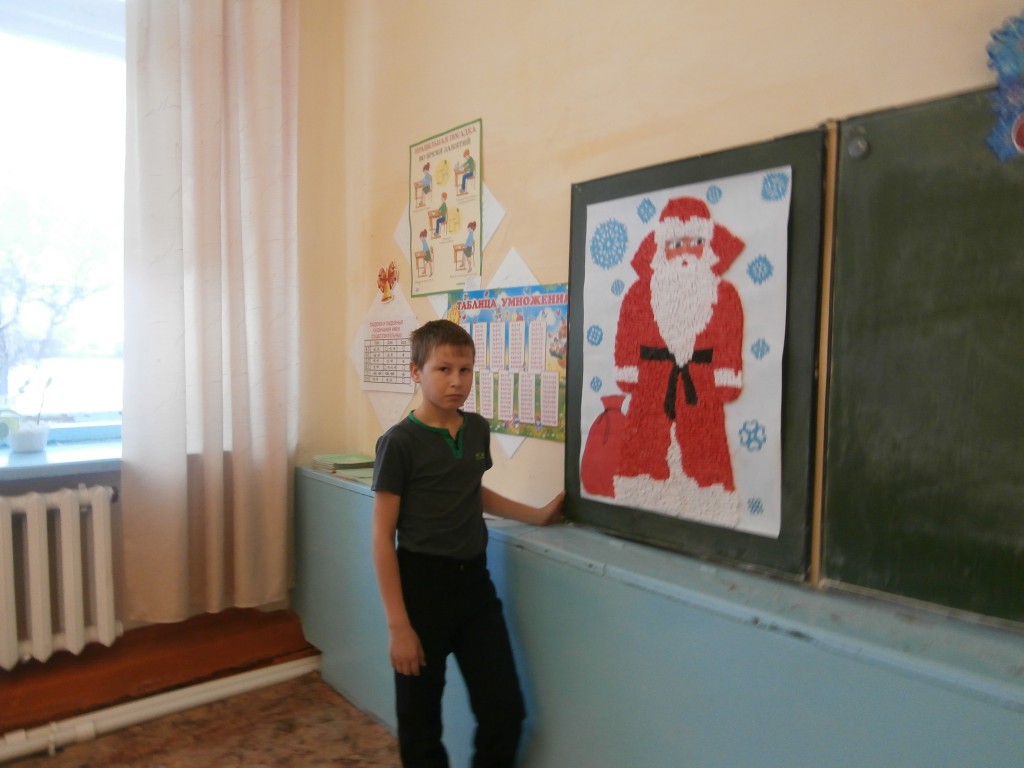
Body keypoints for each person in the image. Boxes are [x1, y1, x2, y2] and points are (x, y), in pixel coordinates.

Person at [372, 319, 564, 768]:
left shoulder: (476, 428)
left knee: (505, 712)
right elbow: (381, 536)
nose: (456, 381)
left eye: (465, 369)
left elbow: (471, 490)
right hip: (421, 590)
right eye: (443, 369)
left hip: (475, 588)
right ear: (415, 371)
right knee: (420, 728)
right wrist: (399, 627)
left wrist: (535, 514)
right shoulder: (399, 442)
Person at [613, 196, 745, 490]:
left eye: (695, 242)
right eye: (676, 244)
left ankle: (709, 487)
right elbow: (628, 330)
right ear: (662, 248)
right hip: (651, 381)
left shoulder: (724, 294)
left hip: (701, 383)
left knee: (705, 440)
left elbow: (729, 336)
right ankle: (640, 482)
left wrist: (726, 375)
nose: (685, 252)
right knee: (646, 438)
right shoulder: (641, 292)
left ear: (708, 246)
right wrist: (627, 368)